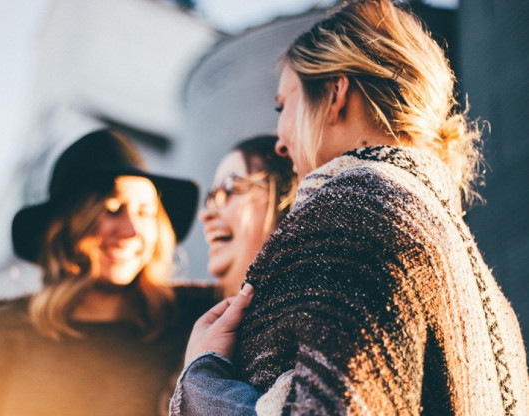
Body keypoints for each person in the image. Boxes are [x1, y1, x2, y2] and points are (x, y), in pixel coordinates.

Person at [170, 1, 529, 415]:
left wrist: (201, 378)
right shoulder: (486, 294)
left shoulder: (353, 212)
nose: (281, 142)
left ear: (336, 93)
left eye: (283, 105)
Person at [0, 129, 218, 416]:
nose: (131, 230)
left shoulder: (193, 324)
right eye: (113, 209)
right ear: (68, 226)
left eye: (145, 212)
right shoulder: (1, 332)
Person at [200, 135, 295, 298]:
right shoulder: (173, 316)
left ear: (285, 200)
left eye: (228, 188)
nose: (205, 214)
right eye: (211, 197)